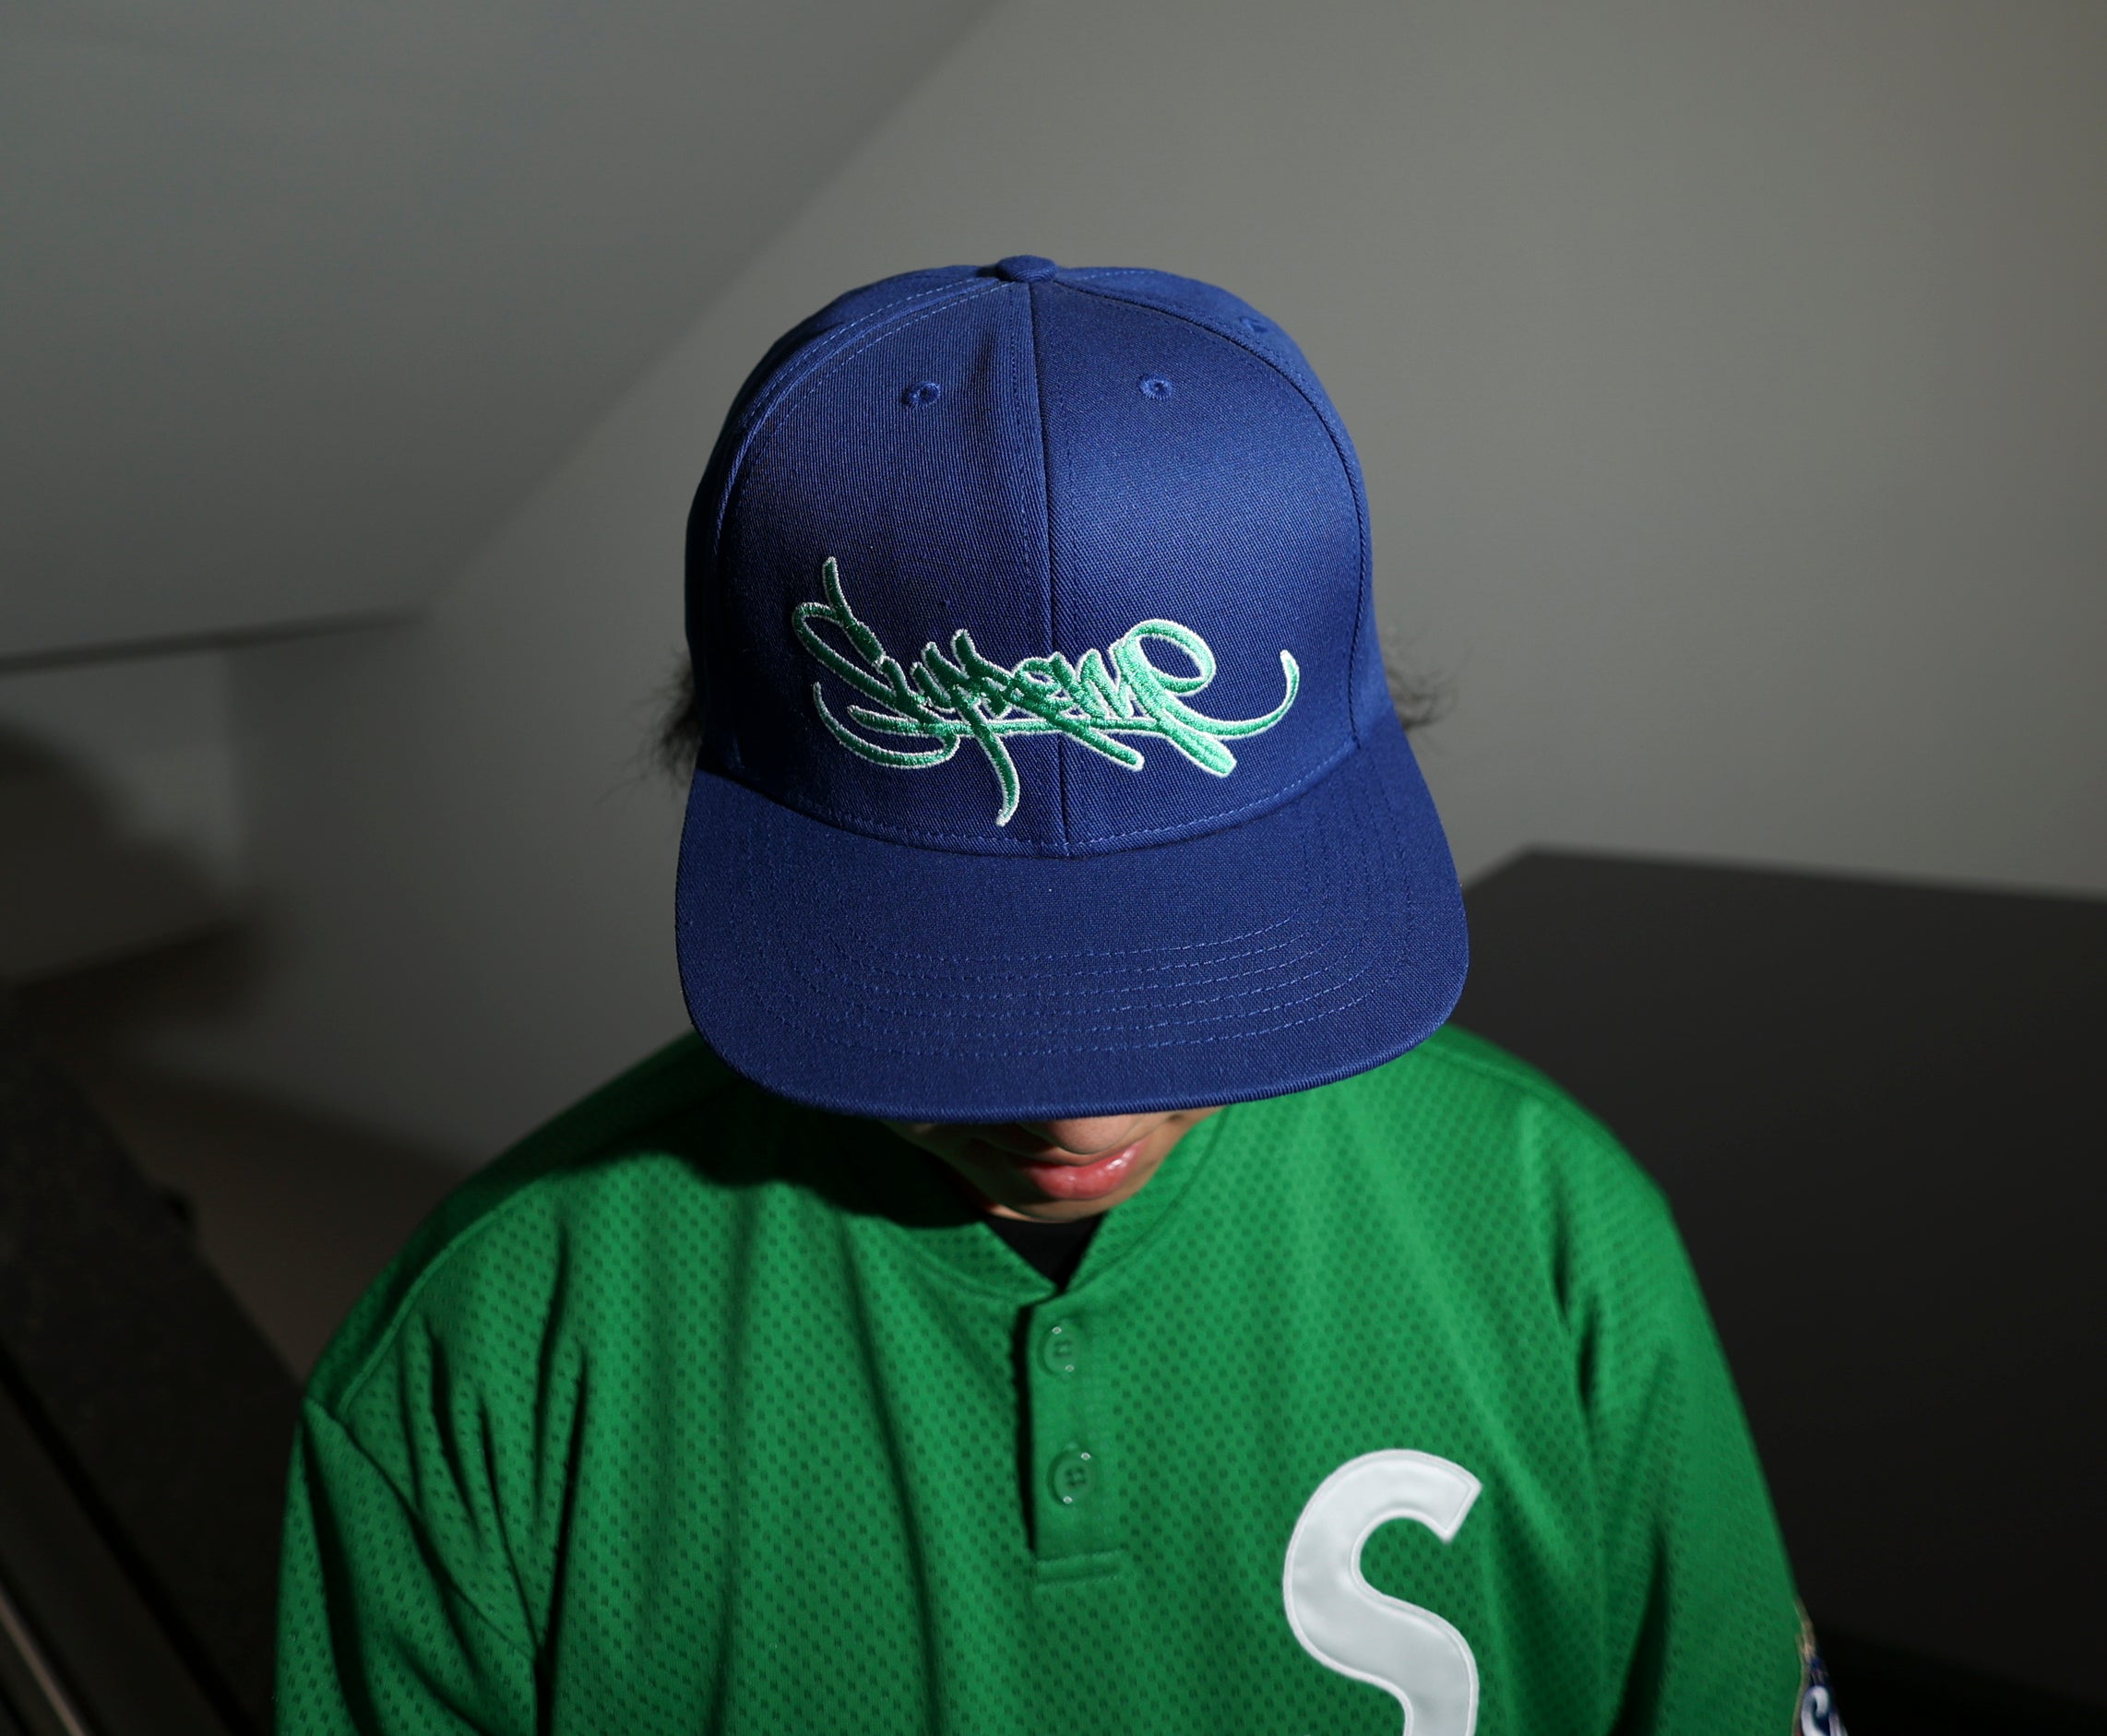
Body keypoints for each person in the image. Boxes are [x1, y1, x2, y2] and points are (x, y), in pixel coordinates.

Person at [275, 256, 1839, 1734]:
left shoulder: (1554, 1230)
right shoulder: (483, 1359)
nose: (1079, 1122)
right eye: (951, 995)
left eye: (1189, 981)